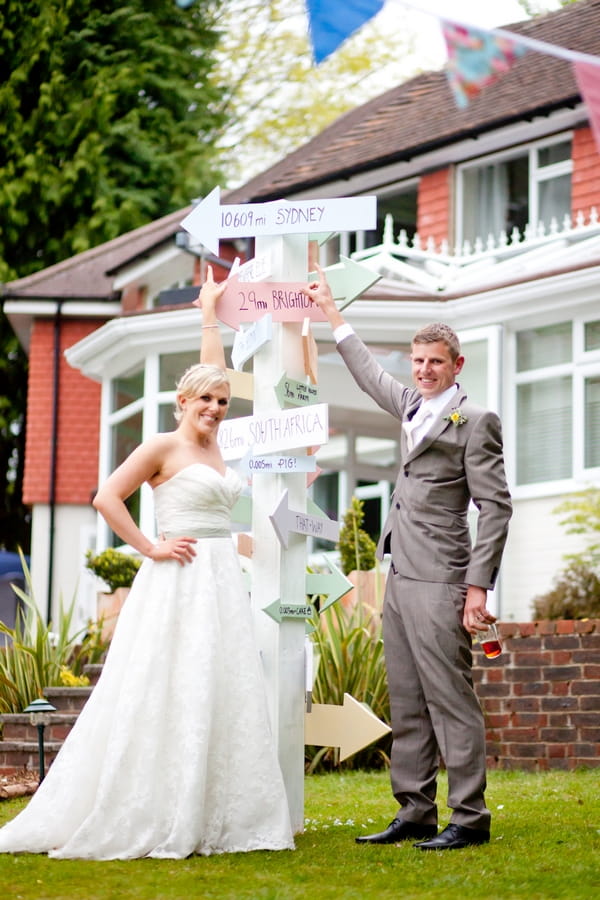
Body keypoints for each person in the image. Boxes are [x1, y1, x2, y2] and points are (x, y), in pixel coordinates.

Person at [0, 266, 294, 860]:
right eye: (203, 400)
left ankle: (216, 808)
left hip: (219, 582)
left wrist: (210, 314)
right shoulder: (162, 445)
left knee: (217, 684)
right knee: (164, 685)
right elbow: (106, 497)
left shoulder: (218, 444)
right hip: (176, 578)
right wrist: (152, 546)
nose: (213, 406)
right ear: (181, 402)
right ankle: (152, 805)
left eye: (220, 400)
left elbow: (213, 368)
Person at [303, 266, 512, 851]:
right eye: (418, 361)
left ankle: (469, 817)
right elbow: (370, 374)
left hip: (444, 576)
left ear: (456, 366)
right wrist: (331, 315)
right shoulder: (411, 407)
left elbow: (495, 509)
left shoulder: (474, 422)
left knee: (450, 698)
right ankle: (414, 810)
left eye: (435, 362)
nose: (423, 370)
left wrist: (478, 589)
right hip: (400, 574)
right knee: (407, 698)